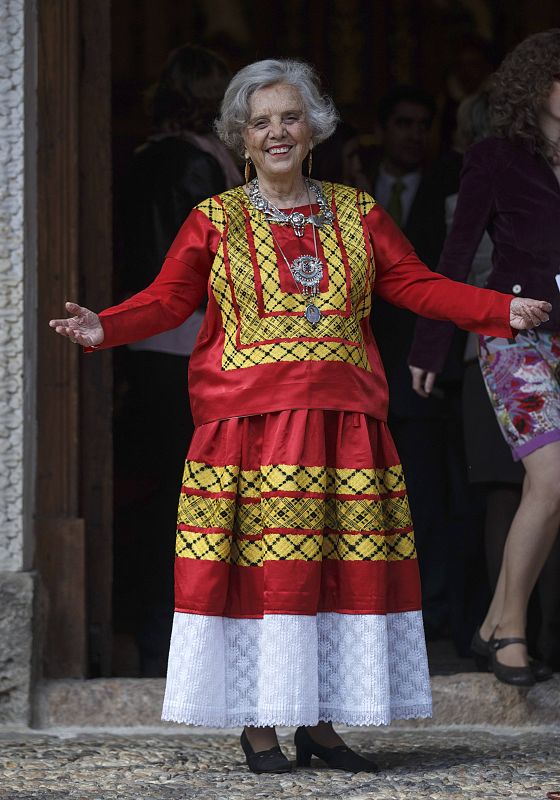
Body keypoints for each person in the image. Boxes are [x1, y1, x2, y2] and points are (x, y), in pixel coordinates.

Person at [50, 58, 549, 774]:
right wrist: (107, 326)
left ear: (313, 128)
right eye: (260, 122)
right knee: (261, 576)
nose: (277, 131)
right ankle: (258, 726)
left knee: (336, 575)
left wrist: (498, 309)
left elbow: (416, 284)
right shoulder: (214, 220)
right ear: (241, 137)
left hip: (344, 429)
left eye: (290, 117)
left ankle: (320, 723)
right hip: (248, 432)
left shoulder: (357, 211)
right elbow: (167, 301)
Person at [409, 29, 560, 686]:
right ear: (538, 85)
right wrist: (431, 346)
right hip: (512, 334)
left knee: (549, 491)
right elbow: (455, 252)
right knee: (552, 481)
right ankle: (513, 633)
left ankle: (494, 621)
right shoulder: (497, 156)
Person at [114, 44, 241, 676]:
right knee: (200, 497)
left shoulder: (137, 159)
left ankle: (153, 633)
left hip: (144, 343)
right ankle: (189, 639)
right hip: (193, 343)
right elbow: (214, 264)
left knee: (161, 492)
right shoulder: (204, 163)